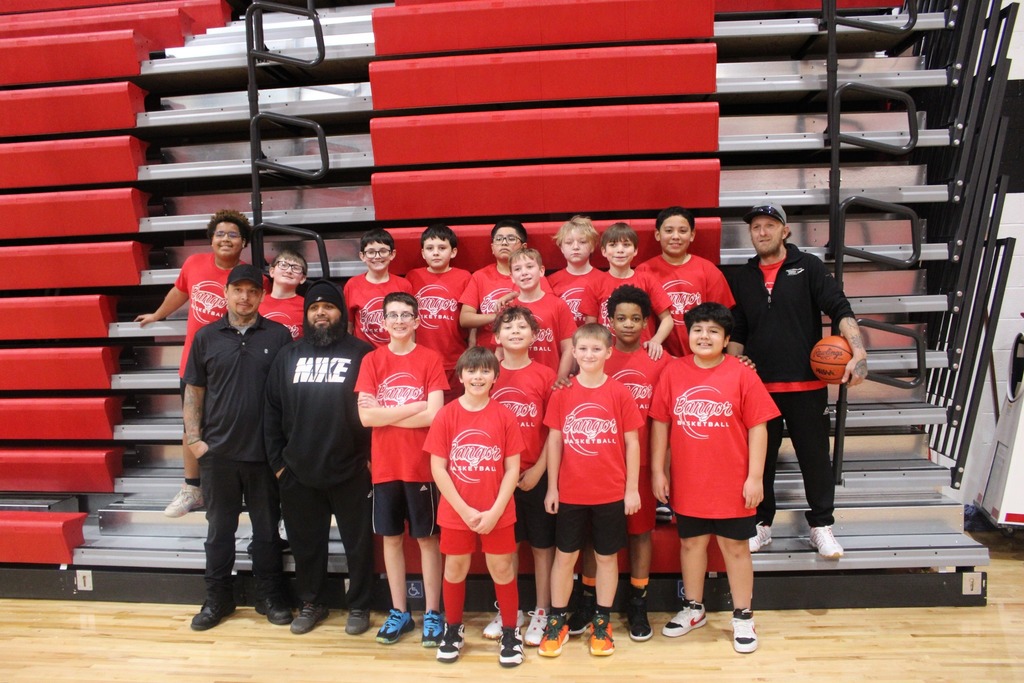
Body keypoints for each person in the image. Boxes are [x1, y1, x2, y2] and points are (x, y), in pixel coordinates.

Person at [727, 202, 869, 559]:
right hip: (759, 389)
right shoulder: (743, 276)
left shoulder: (808, 267)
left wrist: (859, 352)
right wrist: (731, 368)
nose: (762, 232)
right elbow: (739, 328)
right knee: (760, 462)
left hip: (807, 385)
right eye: (756, 226)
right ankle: (761, 524)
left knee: (815, 459)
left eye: (769, 225)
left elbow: (839, 308)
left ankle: (820, 526)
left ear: (785, 231)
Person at [650, 302, 780, 654]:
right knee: (691, 544)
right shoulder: (674, 372)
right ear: (687, 334)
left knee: (734, 548)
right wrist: (659, 469)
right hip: (689, 480)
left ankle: (743, 615)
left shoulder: (741, 373)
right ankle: (694, 608)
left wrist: (755, 478)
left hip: (732, 482)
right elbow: (661, 423)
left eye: (713, 331)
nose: (703, 336)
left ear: (725, 339)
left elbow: (759, 427)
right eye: (697, 329)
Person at [182, 264, 294, 631]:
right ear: (227, 292)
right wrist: (195, 440)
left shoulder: (278, 336)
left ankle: (270, 596)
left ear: (261, 296)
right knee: (219, 533)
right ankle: (218, 598)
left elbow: (288, 395)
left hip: (264, 456)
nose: (244, 297)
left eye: (252, 291)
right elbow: (194, 390)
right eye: (238, 290)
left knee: (266, 532)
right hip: (219, 456)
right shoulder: (206, 337)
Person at [263, 280, 375, 636]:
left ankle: (359, 605)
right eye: (314, 308)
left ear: (341, 313)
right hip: (298, 470)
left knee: (358, 544)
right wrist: (280, 465)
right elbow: (271, 412)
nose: (321, 313)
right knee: (306, 545)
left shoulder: (361, 352)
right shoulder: (288, 356)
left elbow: (374, 409)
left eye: (328, 307)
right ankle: (312, 602)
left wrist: (370, 460)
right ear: (307, 315)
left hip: (352, 469)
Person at [567, 285, 672, 643]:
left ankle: (638, 601)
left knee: (641, 533)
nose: (628, 325)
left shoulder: (661, 359)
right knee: (593, 538)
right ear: (609, 322)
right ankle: (588, 599)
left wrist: (661, 467)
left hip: (640, 464)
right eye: (621, 318)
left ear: (647, 322)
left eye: (636, 319)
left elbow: (665, 417)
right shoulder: (596, 355)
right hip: (597, 464)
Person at [135, 209, 252, 519]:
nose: (226, 239)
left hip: (231, 367)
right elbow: (180, 291)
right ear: (212, 239)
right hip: (193, 364)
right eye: (220, 233)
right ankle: (192, 488)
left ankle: (234, 488)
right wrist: (158, 314)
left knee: (232, 426)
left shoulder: (248, 275)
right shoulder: (194, 264)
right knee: (191, 426)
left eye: (233, 235)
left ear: (244, 243)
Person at [538, 324, 643, 658]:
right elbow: (554, 440)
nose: (588, 355)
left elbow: (632, 442)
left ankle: (602, 621)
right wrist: (552, 487)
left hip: (610, 492)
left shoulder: (619, 392)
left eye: (596, 349)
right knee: (565, 557)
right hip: (569, 492)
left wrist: (631, 489)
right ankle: (557, 620)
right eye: (582, 349)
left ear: (608, 353)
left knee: (606, 557)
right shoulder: (563, 391)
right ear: (575, 352)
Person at [355, 292, 448, 647]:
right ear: (383, 321)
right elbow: (366, 417)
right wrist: (417, 404)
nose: (398, 321)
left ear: (416, 321)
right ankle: (399, 612)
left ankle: (433, 613)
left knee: (427, 539)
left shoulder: (430, 358)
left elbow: (436, 416)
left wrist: (387, 415)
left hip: (422, 465)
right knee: (391, 539)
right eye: (391, 315)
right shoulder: (372, 361)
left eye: (405, 315)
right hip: (385, 467)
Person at [425, 347, 526, 667]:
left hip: (497, 509)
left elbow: (513, 468)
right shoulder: (447, 414)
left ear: (495, 377)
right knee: (454, 569)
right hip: (457, 510)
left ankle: (511, 632)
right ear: (460, 375)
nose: (478, 377)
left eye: (485, 371)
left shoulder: (505, 415)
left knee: (502, 569)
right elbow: (438, 468)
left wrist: (496, 510)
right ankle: (452, 629)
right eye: (472, 371)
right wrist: (465, 510)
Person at [483, 306, 557, 647]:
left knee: (542, 546)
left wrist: (540, 469)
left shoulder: (545, 376)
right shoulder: (487, 375)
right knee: (505, 548)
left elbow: (554, 430)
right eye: (508, 326)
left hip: (535, 474)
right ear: (496, 337)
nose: (515, 331)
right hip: (497, 479)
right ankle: (509, 611)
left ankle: (542, 610)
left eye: (523, 326)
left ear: (535, 335)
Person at [635, 206, 735, 357]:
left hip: (701, 360)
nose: (676, 236)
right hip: (657, 359)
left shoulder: (709, 271)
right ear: (657, 234)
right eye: (668, 231)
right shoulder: (643, 271)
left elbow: (722, 320)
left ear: (692, 235)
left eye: (682, 231)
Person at [580, 222, 673, 360]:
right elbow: (591, 327)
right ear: (604, 251)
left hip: (644, 353)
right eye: (613, 245)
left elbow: (667, 319)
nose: (620, 250)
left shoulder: (647, 280)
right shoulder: (595, 283)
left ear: (635, 250)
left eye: (626, 245)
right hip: (608, 356)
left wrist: (655, 340)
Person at [459, 219, 551, 351]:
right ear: (492, 247)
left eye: (511, 238)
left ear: (524, 247)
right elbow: (465, 319)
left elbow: (547, 311)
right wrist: (499, 317)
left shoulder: (534, 276)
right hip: (488, 356)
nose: (504, 242)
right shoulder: (479, 276)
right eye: (499, 239)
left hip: (527, 351)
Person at [405, 223, 472, 401]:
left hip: (455, 360)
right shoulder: (413, 276)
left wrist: (471, 351)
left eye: (442, 248)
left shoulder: (464, 277)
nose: (435, 252)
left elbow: (471, 319)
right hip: (421, 360)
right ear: (422, 253)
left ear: (453, 252)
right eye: (430, 248)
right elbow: (407, 320)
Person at [508, 248, 576, 380]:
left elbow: (568, 348)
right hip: (517, 379)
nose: (524, 273)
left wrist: (560, 378)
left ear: (541, 271)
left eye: (529, 267)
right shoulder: (508, 308)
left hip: (551, 379)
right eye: (517, 269)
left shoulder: (558, 305)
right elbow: (500, 351)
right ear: (511, 277)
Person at [344, 228, 413, 348]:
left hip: (396, 353)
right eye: (371, 252)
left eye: (383, 251)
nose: (377, 256)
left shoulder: (404, 285)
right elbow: (348, 325)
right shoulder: (352, 285)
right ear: (362, 256)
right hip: (363, 354)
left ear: (392, 254)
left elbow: (410, 325)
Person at [546, 216, 605, 327]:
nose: (575, 247)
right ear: (562, 248)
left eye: (582, 242)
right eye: (569, 242)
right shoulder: (550, 281)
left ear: (592, 246)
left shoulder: (604, 279)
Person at [259, 248, 308, 340]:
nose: (289, 271)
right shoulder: (256, 302)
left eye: (296, 268)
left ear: (303, 278)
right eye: (283, 265)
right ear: (272, 271)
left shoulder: (307, 306)